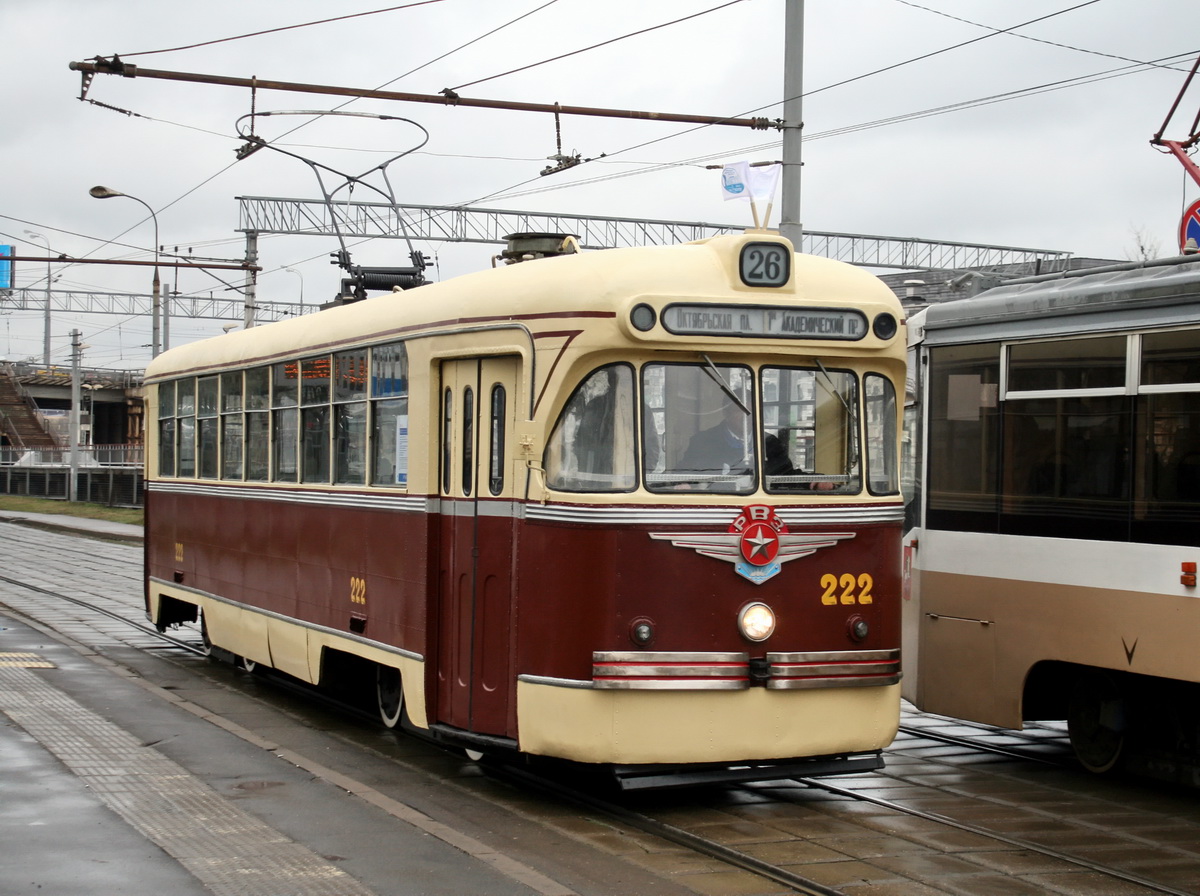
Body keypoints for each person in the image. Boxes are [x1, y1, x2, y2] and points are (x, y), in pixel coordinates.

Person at [679, 402, 752, 474]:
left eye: (751, 411)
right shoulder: (702, 441)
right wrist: (685, 483)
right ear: (726, 414)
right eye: (739, 411)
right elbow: (686, 472)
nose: (746, 416)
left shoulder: (763, 441)